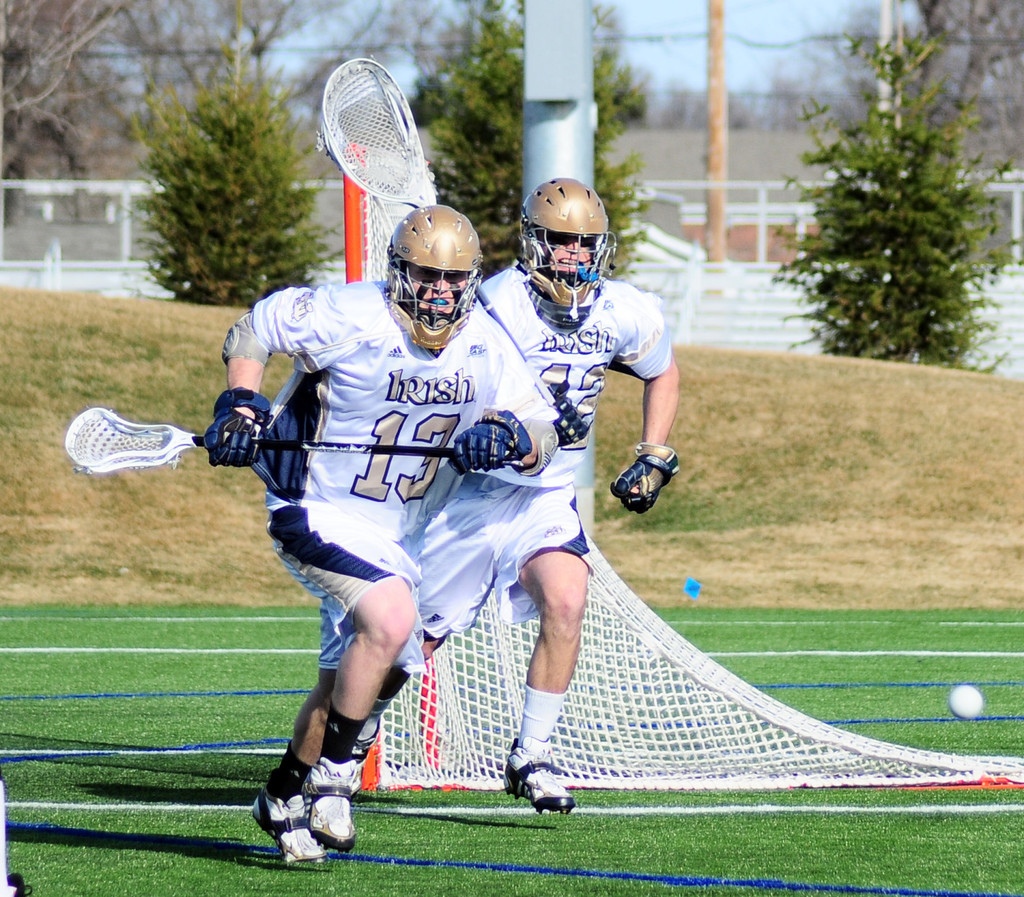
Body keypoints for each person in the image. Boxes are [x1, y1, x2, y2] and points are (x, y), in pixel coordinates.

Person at [203, 204, 558, 863]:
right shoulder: (350, 314)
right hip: (314, 506)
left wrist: (505, 435)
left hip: (400, 532)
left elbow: (545, 431)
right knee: (393, 620)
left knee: (350, 674)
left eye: (454, 280)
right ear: (399, 273)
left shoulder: (486, 339)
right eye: (427, 276)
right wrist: (242, 402)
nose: (441, 293)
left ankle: (280, 795)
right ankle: (336, 780)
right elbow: (255, 329)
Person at [359, 177, 681, 813]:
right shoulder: (496, 302)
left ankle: (530, 754)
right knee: (412, 643)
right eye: (560, 241)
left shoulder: (625, 310)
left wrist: (654, 452)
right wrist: (485, 429)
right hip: (469, 494)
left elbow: (661, 370)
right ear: (535, 241)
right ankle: (357, 727)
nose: (572, 255)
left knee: (567, 597)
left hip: (544, 494)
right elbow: (446, 375)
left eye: (584, 243)